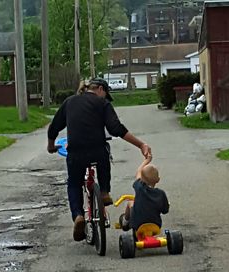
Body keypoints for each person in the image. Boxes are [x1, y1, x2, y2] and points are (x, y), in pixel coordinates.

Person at [47, 78, 151, 241]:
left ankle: (78, 216)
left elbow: (54, 126)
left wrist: (51, 145)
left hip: (76, 152)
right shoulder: (102, 104)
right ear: (101, 89)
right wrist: (141, 145)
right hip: (97, 151)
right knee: (103, 156)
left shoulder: (70, 102)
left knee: (74, 183)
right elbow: (116, 129)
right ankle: (104, 192)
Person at [119, 155, 169, 232]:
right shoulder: (161, 194)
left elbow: (139, 171)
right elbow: (165, 210)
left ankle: (125, 222)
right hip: (155, 225)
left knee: (130, 203)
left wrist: (147, 160)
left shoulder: (139, 187)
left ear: (141, 179)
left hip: (137, 225)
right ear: (158, 180)